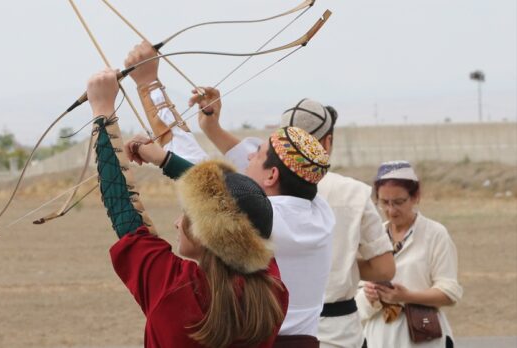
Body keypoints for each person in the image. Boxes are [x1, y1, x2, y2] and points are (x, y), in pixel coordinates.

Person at [125, 41, 335, 347]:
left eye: (257, 154)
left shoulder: (260, 217)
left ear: (272, 175)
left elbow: (191, 161)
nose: (247, 156)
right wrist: (211, 125)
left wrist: (148, 83)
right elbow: (232, 165)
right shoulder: (319, 211)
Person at [87, 67, 289, 347]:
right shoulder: (272, 293)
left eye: (188, 213)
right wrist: (162, 159)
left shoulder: (173, 287)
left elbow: (122, 207)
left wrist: (102, 110)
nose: (178, 223)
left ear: (206, 233)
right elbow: (241, 213)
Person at [278, 100, 396, 348]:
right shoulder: (354, 192)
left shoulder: (264, 188)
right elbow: (385, 269)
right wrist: (345, 263)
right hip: (339, 332)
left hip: (280, 329)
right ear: (327, 142)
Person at [355, 161, 462, 348]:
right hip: (379, 338)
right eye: (384, 203)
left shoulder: (435, 234)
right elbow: (356, 297)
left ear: (415, 197)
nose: (391, 210)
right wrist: (368, 295)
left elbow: (449, 292)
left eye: (398, 202)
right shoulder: (374, 237)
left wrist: (407, 296)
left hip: (424, 336)